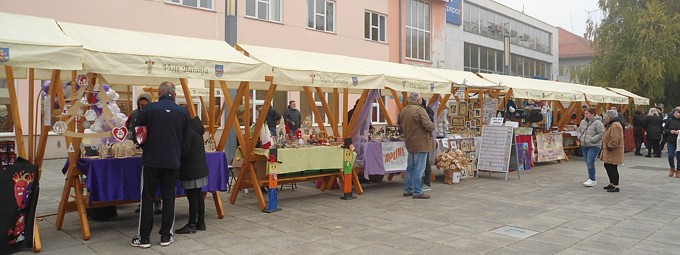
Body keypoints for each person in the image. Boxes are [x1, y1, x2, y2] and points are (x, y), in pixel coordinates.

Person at [131, 81, 189, 248]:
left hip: (151, 160)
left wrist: (145, 147)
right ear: (174, 94)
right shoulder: (182, 112)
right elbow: (185, 138)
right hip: (172, 160)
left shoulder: (148, 109)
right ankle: (165, 236)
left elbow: (138, 133)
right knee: (169, 197)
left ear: (159, 93)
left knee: (147, 197)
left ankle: (144, 238)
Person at [127, 94, 162, 214]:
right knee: (141, 179)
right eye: (141, 105)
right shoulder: (134, 114)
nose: (143, 107)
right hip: (137, 147)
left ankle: (157, 202)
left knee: (155, 179)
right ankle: (143, 202)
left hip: (152, 149)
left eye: (145, 105)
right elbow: (130, 129)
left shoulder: (155, 113)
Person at [175, 116, 209, 234]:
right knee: (199, 196)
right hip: (199, 168)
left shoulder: (188, 132)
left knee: (192, 197)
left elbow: (184, 151)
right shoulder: (196, 129)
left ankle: (191, 224)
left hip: (191, 169)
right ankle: (201, 222)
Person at [398, 92, 434, 199]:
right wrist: (433, 125)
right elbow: (428, 125)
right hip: (421, 143)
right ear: (418, 100)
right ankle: (418, 191)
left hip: (410, 141)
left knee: (410, 167)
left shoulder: (404, 110)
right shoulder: (420, 110)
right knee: (419, 168)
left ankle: (408, 189)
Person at [578, 107, 605, 187]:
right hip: (584, 145)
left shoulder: (597, 122)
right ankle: (591, 178)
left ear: (592, 114)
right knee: (587, 161)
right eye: (585, 114)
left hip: (594, 145)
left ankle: (592, 179)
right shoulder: (583, 122)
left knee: (590, 161)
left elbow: (601, 133)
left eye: (587, 114)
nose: (585, 115)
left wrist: (592, 139)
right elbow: (579, 130)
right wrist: (580, 137)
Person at [601, 110, 625, 192]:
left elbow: (615, 138)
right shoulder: (611, 124)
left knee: (612, 167)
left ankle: (615, 185)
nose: (605, 118)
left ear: (610, 117)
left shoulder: (615, 125)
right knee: (607, 165)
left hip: (613, 151)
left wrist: (610, 146)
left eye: (606, 116)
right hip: (609, 150)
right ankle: (611, 183)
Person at [420, 98, 435, 191]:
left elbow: (430, 126)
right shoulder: (423, 112)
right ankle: (425, 182)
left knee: (424, 163)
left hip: (424, 140)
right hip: (424, 140)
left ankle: (426, 182)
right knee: (424, 163)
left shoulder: (425, 113)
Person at [663, 108, 680, 178]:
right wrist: (670, 131)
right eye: (675, 112)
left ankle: (678, 170)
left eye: (677, 112)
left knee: (679, 157)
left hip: (679, 141)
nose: (675, 113)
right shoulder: (670, 120)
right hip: (671, 140)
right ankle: (672, 168)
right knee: (670, 155)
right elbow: (664, 129)